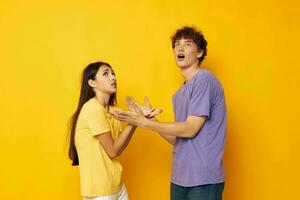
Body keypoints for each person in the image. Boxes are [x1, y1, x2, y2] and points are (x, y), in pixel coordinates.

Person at [110, 26, 227, 200]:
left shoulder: (204, 80)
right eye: (177, 45)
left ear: (200, 52)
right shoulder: (178, 94)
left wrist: (145, 123)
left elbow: (190, 129)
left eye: (187, 44)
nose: (180, 48)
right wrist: (150, 119)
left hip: (204, 178)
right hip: (179, 178)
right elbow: (179, 138)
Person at [68, 62, 161, 200]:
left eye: (113, 73)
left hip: (117, 186)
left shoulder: (113, 111)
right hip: (100, 192)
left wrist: (140, 114)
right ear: (92, 83)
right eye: (106, 74)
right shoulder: (92, 109)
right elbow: (113, 151)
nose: (112, 77)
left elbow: (120, 145)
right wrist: (134, 121)